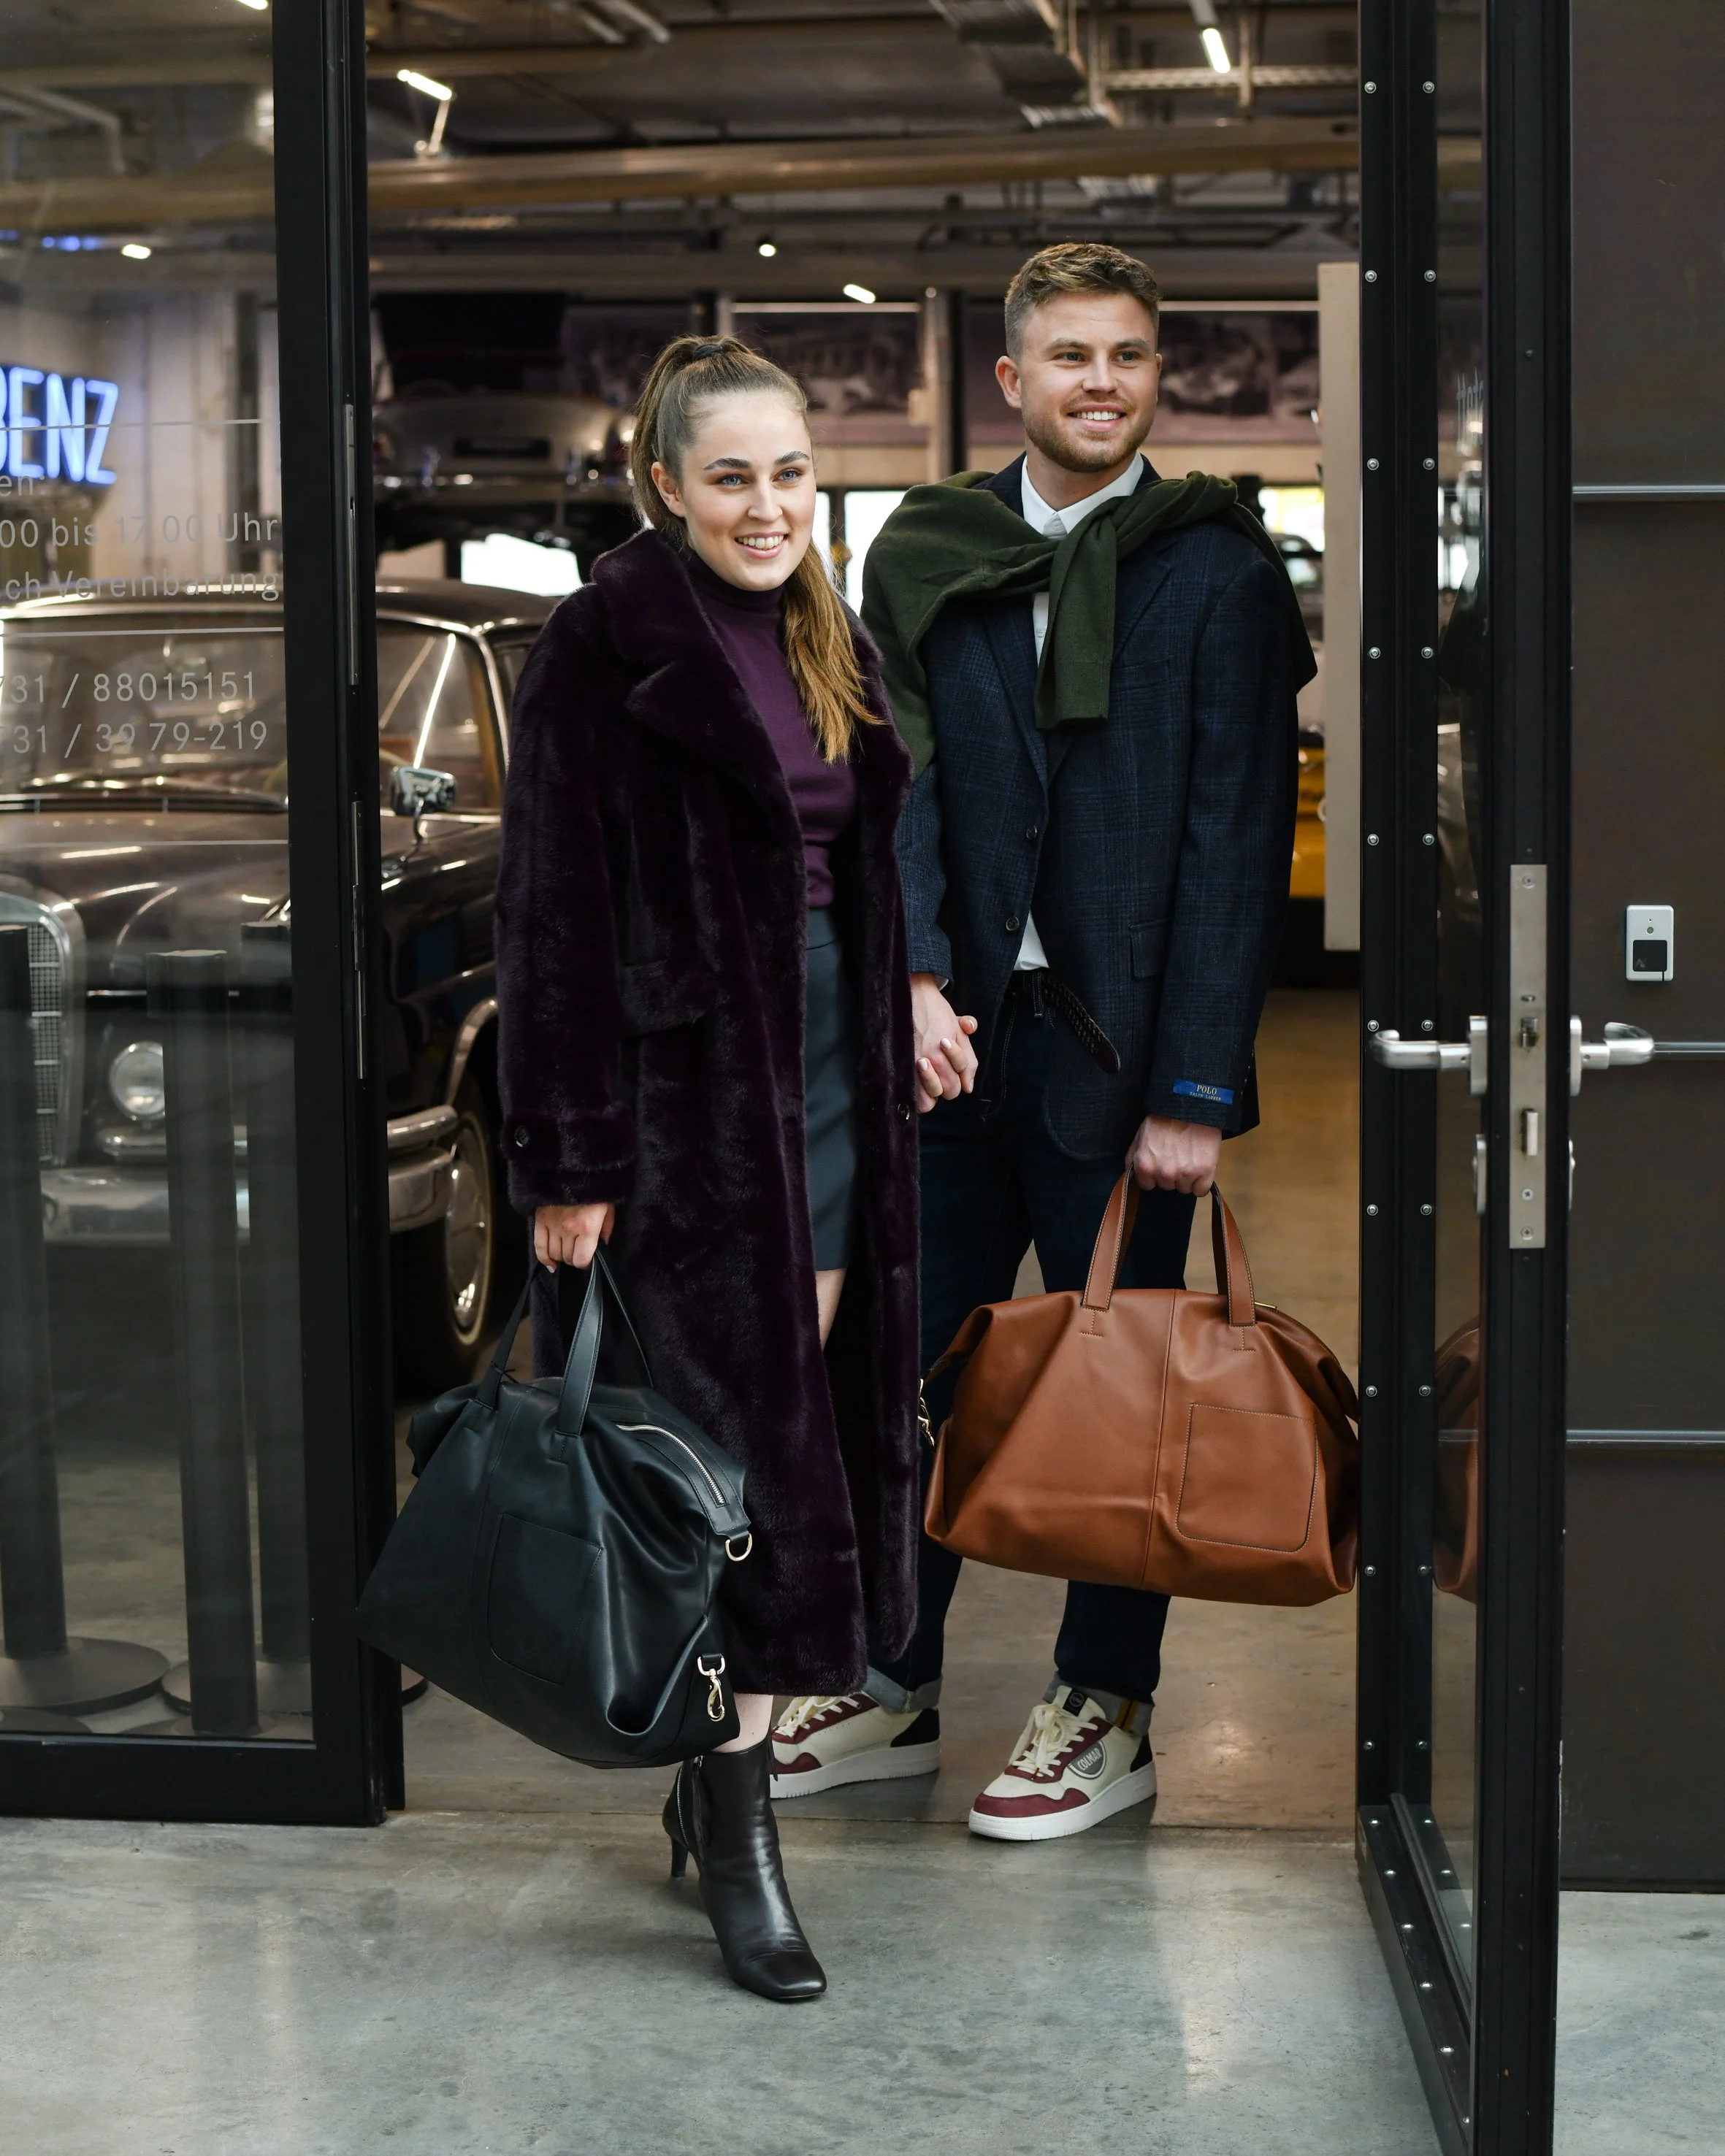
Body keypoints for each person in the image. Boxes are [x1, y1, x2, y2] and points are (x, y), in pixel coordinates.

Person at [770, 242, 1310, 1841]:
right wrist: (913, 980)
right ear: (1010, 379)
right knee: (906, 1378)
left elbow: (1230, 836)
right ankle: (885, 1679)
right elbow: (896, 786)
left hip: (1125, 1062)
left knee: (1122, 1398)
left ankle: (1106, 1703)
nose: (1098, 383)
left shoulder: (1214, 568)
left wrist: (1198, 1090)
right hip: (949, 1049)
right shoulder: (926, 548)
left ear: (1158, 378)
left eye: (1126, 358)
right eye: (1067, 357)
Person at [494, 335, 922, 1996]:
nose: (766, 505)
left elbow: (848, 876)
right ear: (663, 487)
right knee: (739, 1485)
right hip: (686, 1123)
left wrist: (906, 1010)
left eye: (791, 473)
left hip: (829, 1098)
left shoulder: (827, 630)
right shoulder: (604, 644)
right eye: (729, 475)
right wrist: (568, 1153)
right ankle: (741, 1835)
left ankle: (711, 1789)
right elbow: (551, 918)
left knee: (778, 1453)